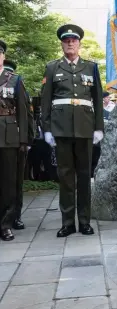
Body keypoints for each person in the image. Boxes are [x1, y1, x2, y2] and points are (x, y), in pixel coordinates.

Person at [41, 24, 104, 237]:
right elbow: (46, 100)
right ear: (62, 44)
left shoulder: (91, 67)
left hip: (85, 129)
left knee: (85, 176)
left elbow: (97, 98)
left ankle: (84, 221)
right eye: (66, 40)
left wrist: (98, 127)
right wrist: (47, 129)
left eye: (73, 40)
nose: (70, 43)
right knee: (66, 177)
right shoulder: (52, 68)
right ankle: (68, 222)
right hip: (62, 129)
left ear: (79, 43)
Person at [0, 39, 34, 242]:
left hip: (10, 135)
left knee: (9, 183)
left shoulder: (15, 80)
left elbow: (22, 111)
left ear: (3, 56)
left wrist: (23, 140)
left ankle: (6, 225)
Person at [3, 59, 32, 230]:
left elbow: (28, 116)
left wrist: (28, 140)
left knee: (16, 182)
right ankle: (3, 216)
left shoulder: (21, 90)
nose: (8, 76)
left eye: (10, 73)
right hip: (0, 139)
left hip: (18, 141)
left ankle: (16, 216)